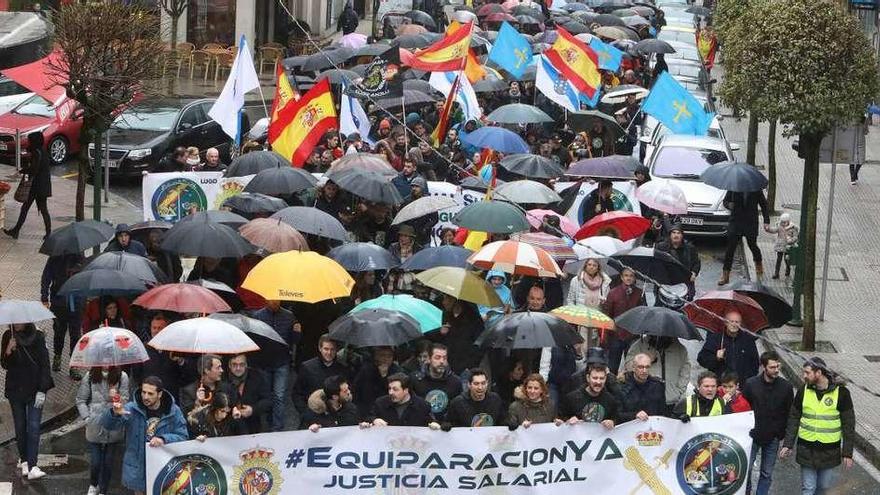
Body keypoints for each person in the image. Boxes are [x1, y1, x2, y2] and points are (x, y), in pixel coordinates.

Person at [101, 376, 188, 495]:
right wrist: (114, 413)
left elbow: (183, 436)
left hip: (162, 466)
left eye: (150, 393)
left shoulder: (173, 411)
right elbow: (108, 425)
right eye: (143, 392)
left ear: (160, 394)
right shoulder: (132, 408)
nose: (145, 397)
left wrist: (164, 439)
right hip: (138, 467)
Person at [780, 357, 855, 495]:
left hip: (829, 451)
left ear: (818, 373)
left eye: (807, 373)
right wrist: (788, 444)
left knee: (823, 488)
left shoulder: (842, 393)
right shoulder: (803, 391)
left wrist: (847, 453)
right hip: (806, 449)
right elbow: (794, 418)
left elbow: (848, 424)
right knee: (808, 488)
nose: (804, 376)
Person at [2, 323, 54, 480]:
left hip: (34, 390)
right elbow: (4, 364)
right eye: (14, 321)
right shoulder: (7, 336)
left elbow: (45, 364)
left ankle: (33, 465)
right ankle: (24, 461)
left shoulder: (37, 337)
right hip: (15, 391)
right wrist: (8, 350)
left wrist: (42, 390)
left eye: (20, 321)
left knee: (33, 426)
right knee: (20, 426)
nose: (17, 324)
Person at [742, 351, 793, 495]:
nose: (776, 370)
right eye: (772, 367)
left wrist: (785, 439)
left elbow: (790, 414)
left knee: (767, 473)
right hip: (752, 435)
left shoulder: (786, 387)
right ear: (764, 367)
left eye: (777, 366)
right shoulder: (751, 384)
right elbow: (743, 408)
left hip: (773, 437)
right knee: (747, 469)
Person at [77, 367, 129, 495]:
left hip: (113, 423)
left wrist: (116, 397)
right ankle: (93, 484)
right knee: (95, 462)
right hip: (94, 424)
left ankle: (103, 490)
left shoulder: (122, 376)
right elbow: (81, 400)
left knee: (108, 462)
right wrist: (87, 418)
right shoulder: (90, 376)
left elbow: (125, 400)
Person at [250, 300, 301, 431]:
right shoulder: (258, 316)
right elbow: (254, 339)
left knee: (279, 395)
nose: (274, 302)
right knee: (266, 396)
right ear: (266, 299)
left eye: (276, 299)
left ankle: (277, 427)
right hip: (264, 361)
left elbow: (295, 341)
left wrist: (297, 332)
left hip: (281, 361)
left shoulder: (289, 316)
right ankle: (267, 423)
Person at [624, 336, 691, 414]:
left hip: (671, 399)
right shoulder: (640, 345)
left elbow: (686, 371)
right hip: (647, 400)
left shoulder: (680, 349)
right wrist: (647, 360)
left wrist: (679, 390)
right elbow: (629, 365)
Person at [4, 132, 52, 239]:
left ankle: (16, 231)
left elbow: (34, 169)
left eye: (30, 140)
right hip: (43, 185)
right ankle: (48, 233)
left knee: (25, 208)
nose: (29, 142)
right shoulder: (42, 151)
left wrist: (22, 171)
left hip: (36, 186)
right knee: (43, 209)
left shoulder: (36, 152)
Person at [40, 253, 83, 371]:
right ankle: (57, 356)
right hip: (59, 303)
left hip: (76, 303)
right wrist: (44, 296)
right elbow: (46, 277)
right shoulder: (54, 258)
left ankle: (74, 365)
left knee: (75, 335)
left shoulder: (79, 257)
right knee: (59, 332)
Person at [719, 190, 771, 285]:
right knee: (730, 249)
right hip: (736, 222)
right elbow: (725, 201)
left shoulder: (756, 188)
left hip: (750, 223)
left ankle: (758, 262)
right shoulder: (734, 187)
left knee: (752, 245)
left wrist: (766, 221)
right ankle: (725, 275)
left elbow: (764, 204)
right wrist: (729, 205)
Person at [293, 335, 350, 421]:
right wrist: (306, 413)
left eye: (332, 349)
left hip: (336, 417)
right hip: (313, 416)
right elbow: (297, 394)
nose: (329, 353)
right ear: (320, 348)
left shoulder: (343, 370)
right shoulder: (307, 367)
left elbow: (346, 394)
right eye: (326, 349)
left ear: (336, 350)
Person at [602, 267, 646, 374]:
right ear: (621, 277)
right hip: (616, 334)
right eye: (626, 276)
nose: (628, 278)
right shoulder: (613, 293)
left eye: (631, 276)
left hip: (632, 335)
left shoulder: (639, 293)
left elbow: (643, 313)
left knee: (631, 366)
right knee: (612, 365)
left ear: (635, 278)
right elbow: (607, 314)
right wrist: (606, 335)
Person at [697, 310, 760, 382]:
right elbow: (701, 359)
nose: (734, 324)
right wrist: (716, 358)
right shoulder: (716, 339)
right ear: (725, 322)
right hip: (721, 385)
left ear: (741, 324)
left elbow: (755, 363)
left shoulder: (748, 340)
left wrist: (748, 380)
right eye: (731, 321)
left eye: (737, 322)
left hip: (743, 385)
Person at [363, 373, 439, 428]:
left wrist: (434, 425)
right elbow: (368, 418)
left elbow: (432, 423)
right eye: (389, 388)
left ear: (406, 390)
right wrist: (374, 420)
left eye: (395, 389)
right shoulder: (380, 403)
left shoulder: (422, 406)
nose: (391, 392)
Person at [410, 343, 462, 422]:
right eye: (437, 358)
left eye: (444, 358)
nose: (441, 361)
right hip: (420, 427)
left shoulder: (455, 382)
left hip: (446, 428)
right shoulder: (415, 380)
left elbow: (458, 409)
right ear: (429, 359)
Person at [558, 364, 619, 429]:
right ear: (588, 378)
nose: (598, 382)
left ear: (606, 379)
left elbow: (617, 419)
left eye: (602, 378)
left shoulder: (611, 400)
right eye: (595, 378)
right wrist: (568, 421)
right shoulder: (571, 398)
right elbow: (558, 420)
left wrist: (612, 422)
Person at [434, 296, 484, 374]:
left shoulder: (474, 320)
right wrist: (440, 333)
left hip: (465, 369)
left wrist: (469, 366)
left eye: (447, 299)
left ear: (455, 300)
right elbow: (437, 343)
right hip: (446, 366)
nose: (443, 302)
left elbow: (480, 346)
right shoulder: (445, 316)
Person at [226, 353, 272, 434]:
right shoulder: (222, 378)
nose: (238, 368)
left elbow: (268, 400)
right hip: (228, 427)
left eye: (242, 364)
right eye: (234, 365)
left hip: (252, 426)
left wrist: (253, 409)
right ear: (229, 365)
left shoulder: (257, 376)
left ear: (246, 364)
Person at [352, 346, 402, 417]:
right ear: (376, 356)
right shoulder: (366, 370)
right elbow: (356, 390)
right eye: (382, 355)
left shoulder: (397, 371)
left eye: (389, 356)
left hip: (390, 409)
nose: (386, 359)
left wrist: (384, 377)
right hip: (367, 409)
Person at [655, 225, 700, 299]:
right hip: (666, 281)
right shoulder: (661, 247)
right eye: (674, 233)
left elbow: (696, 262)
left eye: (678, 233)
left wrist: (694, 273)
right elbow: (656, 263)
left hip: (684, 280)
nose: (676, 235)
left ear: (682, 235)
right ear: (670, 235)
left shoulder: (690, 248)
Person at [618, 353, 667, 422]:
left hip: (652, 428)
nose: (644, 371)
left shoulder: (657, 386)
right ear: (633, 368)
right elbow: (617, 414)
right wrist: (634, 415)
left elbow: (663, 413)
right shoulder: (622, 386)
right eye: (640, 367)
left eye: (647, 367)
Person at [766, 212, 799, 279]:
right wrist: (768, 229)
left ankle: (788, 269)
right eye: (782, 222)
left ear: (788, 221)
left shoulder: (793, 228)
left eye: (785, 222)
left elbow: (795, 237)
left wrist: (791, 240)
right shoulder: (779, 226)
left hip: (788, 246)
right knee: (779, 260)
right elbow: (774, 230)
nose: (783, 224)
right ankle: (776, 273)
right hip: (780, 245)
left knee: (787, 259)